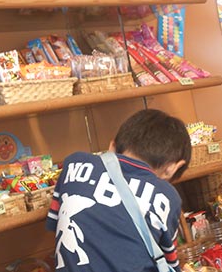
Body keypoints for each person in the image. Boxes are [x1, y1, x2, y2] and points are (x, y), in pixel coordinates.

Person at [46, 109, 192, 272]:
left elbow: (56, 224)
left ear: (112, 146)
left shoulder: (74, 163)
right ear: (172, 168)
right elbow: (169, 262)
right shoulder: (167, 195)